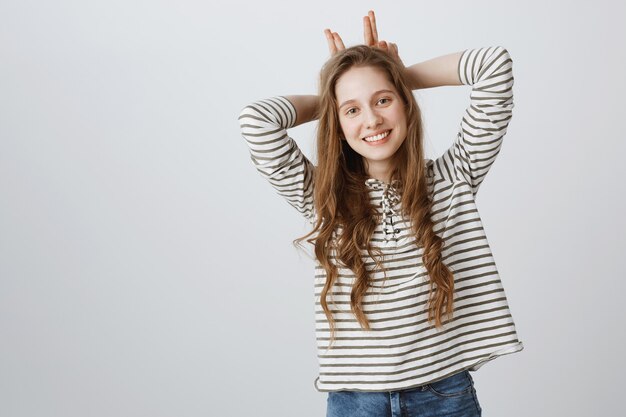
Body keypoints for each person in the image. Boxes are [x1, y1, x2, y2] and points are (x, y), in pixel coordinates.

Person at [238, 10, 523, 417]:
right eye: (351, 111)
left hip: (444, 396)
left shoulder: (452, 177)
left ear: (405, 104)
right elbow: (256, 121)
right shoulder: (323, 198)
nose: (372, 119)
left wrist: (396, 73)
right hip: (356, 402)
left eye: (383, 100)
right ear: (336, 123)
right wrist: (336, 93)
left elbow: (493, 64)